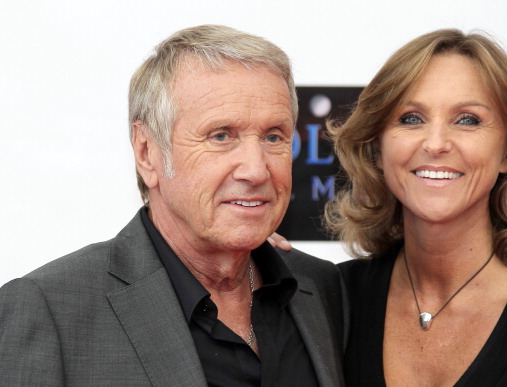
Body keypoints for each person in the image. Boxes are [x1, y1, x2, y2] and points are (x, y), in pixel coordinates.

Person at [0, 25, 347, 387]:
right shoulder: (51, 309)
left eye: (273, 136)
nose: (256, 169)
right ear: (147, 153)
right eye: (221, 136)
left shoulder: (322, 288)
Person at [322, 29, 507, 386]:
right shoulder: (327, 305)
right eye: (410, 118)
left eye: (468, 120)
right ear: (377, 149)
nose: (436, 144)